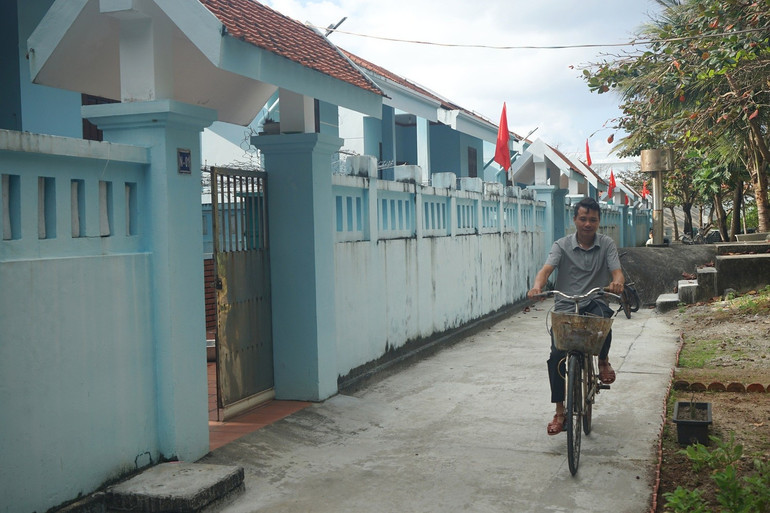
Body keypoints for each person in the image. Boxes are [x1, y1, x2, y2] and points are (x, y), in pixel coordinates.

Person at [527, 197, 624, 436]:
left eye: (593, 219)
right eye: (583, 219)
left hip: (594, 300)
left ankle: (602, 361)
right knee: (557, 356)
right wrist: (537, 287)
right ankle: (560, 412)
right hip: (566, 306)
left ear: (599, 221)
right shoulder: (561, 245)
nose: (588, 224)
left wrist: (617, 284)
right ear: (575, 220)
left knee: (605, 319)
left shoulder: (607, 244)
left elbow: (617, 272)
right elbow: (546, 270)